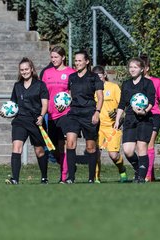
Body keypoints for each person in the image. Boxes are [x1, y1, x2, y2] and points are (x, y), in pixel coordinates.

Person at [2, 57, 49, 184]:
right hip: (20, 121)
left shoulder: (40, 85)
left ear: (32, 69)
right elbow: (13, 105)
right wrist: (6, 113)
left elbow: (45, 104)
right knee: (16, 147)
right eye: (22, 70)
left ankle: (44, 177)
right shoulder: (17, 86)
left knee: (39, 151)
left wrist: (41, 116)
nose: (24, 72)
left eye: (26, 69)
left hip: (36, 121)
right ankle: (15, 179)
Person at [64, 50, 103, 184]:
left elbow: (100, 97)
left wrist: (97, 112)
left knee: (90, 147)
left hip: (89, 113)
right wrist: (62, 104)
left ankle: (91, 178)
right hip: (74, 113)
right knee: (70, 143)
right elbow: (69, 95)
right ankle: (71, 177)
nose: (77, 63)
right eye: (76, 60)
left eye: (80, 60)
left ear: (86, 61)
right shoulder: (72, 77)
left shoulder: (94, 77)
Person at [114, 57, 156, 183]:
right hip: (130, 119)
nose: (132, 69)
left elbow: (151, 101)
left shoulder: (148, 83)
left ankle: (142, 177)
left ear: (142, 69)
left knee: (142, 146)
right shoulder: (126, 84)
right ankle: (139, 169)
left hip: (144, 119)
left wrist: (144, 111)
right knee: (128, 150)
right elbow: (122, 104)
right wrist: (117, 120)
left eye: (135, 67)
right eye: (130, 67)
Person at [42, 46, 76, 183]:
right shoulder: (47, 73)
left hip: (65, 114)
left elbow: (74, 92)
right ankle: (66, 166)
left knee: (64, 143)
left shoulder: (71, 73)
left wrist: (69, 102)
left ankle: (64, 177)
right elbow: (43, 93)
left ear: (63, 57)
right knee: (54, 148)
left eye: (56, 57)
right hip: (50, 115)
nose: (54, 59)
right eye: (52, 57)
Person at [92, 65, 128, 183]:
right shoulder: (92, 89)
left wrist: (119, 115)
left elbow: (122, 104)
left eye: (100, 77)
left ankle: (122, 170)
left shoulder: (113, 87)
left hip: (112, 127)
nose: (98, 80)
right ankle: (96, 177)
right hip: (98, 127)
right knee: (95, 153)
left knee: (113, 155)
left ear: (105, 75)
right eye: (95, 78)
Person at [139, 54, 160, 181]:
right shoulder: (135, 83)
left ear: (147, 68)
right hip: (139, 117)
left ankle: (148, 175)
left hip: (154, 115)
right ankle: (149, 172)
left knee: (150, 144)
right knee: (141, 146)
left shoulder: (156, 82)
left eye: (142, 66)